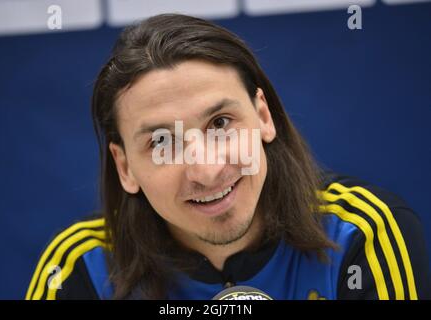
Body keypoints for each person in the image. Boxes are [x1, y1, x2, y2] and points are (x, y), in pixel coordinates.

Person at [25, 14, 430, 300]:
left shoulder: (362, 232)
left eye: (220, 124)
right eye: (163, 142)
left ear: (264, 116)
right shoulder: (81, 267)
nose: (207, 170)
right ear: (125, 167)